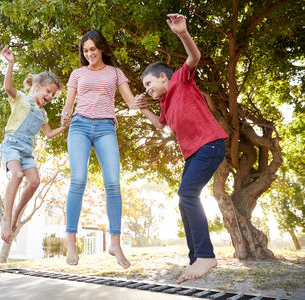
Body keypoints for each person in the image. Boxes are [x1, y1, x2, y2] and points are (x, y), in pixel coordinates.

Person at [136, 14, 228, 283]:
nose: (148, 89)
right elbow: (160, 126)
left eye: (149, 84)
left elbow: (194, 57)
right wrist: (144, 110)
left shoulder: (179, 79)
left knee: (187, 193)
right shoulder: (164, 104)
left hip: (209, 144)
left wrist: (182, 33)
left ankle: (206, 255)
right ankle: (196, 259)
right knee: (183, 199)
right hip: (194, 154)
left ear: (163, 78)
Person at [61, 30, 144, 269]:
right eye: (85, 51)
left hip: (107, 127)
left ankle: (115, 243)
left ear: (102, 49)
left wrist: (139, 101)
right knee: (78, 180)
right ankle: (71, 242)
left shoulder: (116, 73)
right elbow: (69, 105)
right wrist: (66, 116)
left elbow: (130, 103)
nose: (89, 54)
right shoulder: (77, 74)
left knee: (113, 184)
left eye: (92, 50)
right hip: (80, 126)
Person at [0, 46, 70, 244]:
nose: (50, 96)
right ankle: (6, 218)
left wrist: (64, 127)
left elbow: (48, 134)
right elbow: (7, 88)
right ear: (37, 86)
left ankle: (15, 214)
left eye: (53, 95)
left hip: (27, 151)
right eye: (49, 91)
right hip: (12, 144)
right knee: (17, 174)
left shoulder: (43, 114)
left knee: (35, 182)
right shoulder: (21, 99)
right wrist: (11, 63)